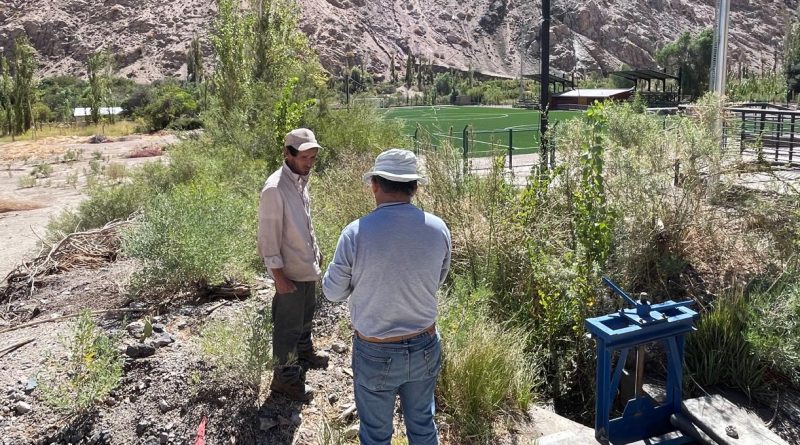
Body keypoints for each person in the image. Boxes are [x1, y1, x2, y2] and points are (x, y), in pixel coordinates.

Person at [322, 148, 451, 445]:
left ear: (375, 185)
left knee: (377, 435)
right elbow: (438, 279)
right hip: (425, 344)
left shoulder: (355, 233)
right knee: (422, 425)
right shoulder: (438, 228)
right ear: (414, 187)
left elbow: (332, 292)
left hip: (375, 351)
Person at [258, 127, 330, 402]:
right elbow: (268, 238)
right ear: (287, 154)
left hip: (305, 266)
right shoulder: (275, 188)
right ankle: (284, 379)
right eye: (304, 158)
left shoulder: (300, 180)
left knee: (305, 315)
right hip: (288, 272)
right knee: (287, 326)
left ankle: (304, 353)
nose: (309, 163)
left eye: (313, 157)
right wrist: (278, 277)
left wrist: (316, 252)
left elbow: (304, 225)